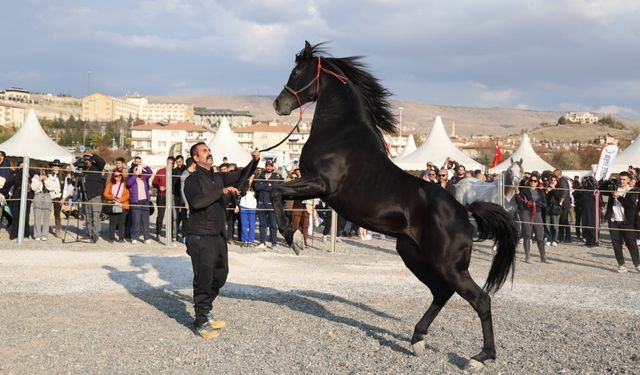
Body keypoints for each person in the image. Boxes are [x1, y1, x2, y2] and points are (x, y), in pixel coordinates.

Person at [184, 142, 259, 339]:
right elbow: (197, 202)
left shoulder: (217, 176)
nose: (209, 153)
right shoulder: (192, 180)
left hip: (217, 235)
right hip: (200, 235)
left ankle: (205, 309)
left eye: (209, 150)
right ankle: (200, 321)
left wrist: (255, 160)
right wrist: (221, 192)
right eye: (204, 151)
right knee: (204, 278)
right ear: (196, 158)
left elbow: (240, 175)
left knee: (221, 275)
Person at [601, 172, 640, 273]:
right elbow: (601, 190)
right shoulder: (613, 189)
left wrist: (619, 197)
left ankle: (637, 264)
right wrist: (609, 181)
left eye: (623, 179)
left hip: (626, 222)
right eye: (620, 179)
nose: (621, 181)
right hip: (614, 221)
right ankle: (621, 265)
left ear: (628, 180)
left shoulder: (632, 191)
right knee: (616, 244)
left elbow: (630, 204)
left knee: (631, 244)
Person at [518, 175, 549, 263]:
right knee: (527, 233)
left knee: (540, 234)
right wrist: (526, 204)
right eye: (531, 180)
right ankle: (528, 257)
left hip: (537, 213)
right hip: (526, 213)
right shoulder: (524, 190)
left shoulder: (540, 191)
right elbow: (520, 201)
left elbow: (544, 204)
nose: (533, 182)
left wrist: (535, 203)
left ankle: (543, 257)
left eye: (535, 181)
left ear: (537, 182)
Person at [253, 160, 283, 249]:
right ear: (265, 166)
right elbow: (257, 187)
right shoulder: (260, 176)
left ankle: (274, 243)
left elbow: (275, 188)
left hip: (271, 204)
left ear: (273, 167)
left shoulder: (276, 177)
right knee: (262, 225)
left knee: (273, 225)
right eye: (267, 165)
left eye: (270, 166)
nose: (269, 167)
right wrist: (268, 185)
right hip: (261, 203)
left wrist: (264, 186)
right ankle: (262, 242)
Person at [80, 153, 106, 243]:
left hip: (95, 196)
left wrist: (93, 155)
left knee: (95, 216)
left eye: (88, 159)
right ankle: (89, 234)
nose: (86, 161)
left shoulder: (96, 167)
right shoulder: (83, 169)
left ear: (91, 160)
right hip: (86, 196)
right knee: (88, 216)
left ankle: (95, 236)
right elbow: (79, 183)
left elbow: (102, 162)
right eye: (85, 160)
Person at [126, 161, 153, 244]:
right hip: (135, 202)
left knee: (145, 221)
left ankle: (146, 238)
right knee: (136, 221)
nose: (139, 170)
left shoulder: (143, 178)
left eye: (139, 169)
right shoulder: (130, 178)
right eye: (137, 168)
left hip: (145, 201)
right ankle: (134, 237)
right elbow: (129, 184)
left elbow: (150, 173)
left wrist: (146, 166)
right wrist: (135, 174)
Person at [31, 168, 59, 241]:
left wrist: (46, 180)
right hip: (38, 195)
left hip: (48, 196)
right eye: (40, 170)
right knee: (37, 216)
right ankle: (37, 234)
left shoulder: (50, 177)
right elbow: (33, 188)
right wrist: (39, 180)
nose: (42, 171)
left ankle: (44, 234)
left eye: (43, 170)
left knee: (46, 217)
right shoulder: (35, 177)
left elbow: (52, 188)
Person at [103, 168, 130, 243]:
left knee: (122, 223)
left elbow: (128, 194)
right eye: (116, 176)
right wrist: (113, 198)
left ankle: (121, 238)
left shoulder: (125, 183)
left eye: (119, 175)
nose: (118, 177)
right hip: (113, 204)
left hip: (123, 205)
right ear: (113, 176)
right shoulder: (110, 184)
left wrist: (120, 200)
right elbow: (105, 193)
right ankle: (111, 238)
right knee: (113, 222)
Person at [152, 156, 175, 240]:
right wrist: (159, 186)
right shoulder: (160, 171)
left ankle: (172, 234)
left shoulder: (174, 172)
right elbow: (154, 182)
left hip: (172, 197)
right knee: (160, 215)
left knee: (173, 216)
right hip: (161, 196)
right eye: (168, 162)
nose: (169, 164)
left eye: (171, 163)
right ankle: (158, 233)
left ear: (173, 164)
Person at [288, 170, 311, 247]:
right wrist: (291, 172)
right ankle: (295, 241)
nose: (299, 173)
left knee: (305, 225)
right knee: (295, 224)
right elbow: (287, 181)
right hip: (296, 204)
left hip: (307, 205)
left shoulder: (309, 181)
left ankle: (304, 240)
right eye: (298, 172)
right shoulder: (295, 182)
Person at [179, 157, 197, 242]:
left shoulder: (195, 173)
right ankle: (185, 236)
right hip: (186, 201)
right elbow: (182, 190)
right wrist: (185, 202)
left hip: (194, 201)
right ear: (192, 163)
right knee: (185, 220)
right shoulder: (184, 175)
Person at [238, 175, 257, 247]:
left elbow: (257, 192)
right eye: (250, 175)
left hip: (252, 206)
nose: (251, 177)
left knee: (252, 225)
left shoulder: (256, 184)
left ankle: (250, 240)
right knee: (244, 224)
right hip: (243, 205)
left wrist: (252, 183)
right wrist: (247, 183)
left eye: (252, 175)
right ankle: (244, 240)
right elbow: (241, 192)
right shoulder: (243, 183)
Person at [554, 169, 572, 243]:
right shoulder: (560, 181)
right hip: (563, 203)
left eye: (554, 174)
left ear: (558, 174)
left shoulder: (562, 181)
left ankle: (568, 237)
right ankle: (561, 236)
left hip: (564, 204)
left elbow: (564, 192)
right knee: (561, 221)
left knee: (564, 221)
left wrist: (561, 202)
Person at [48, 159, 65, 238]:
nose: (56, 167)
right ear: (51, 166)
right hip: (48, 195)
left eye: (57, 166)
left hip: (59, 196)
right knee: (46, 212)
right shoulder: (48, 174)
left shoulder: (63, 175)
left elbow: (66, 188)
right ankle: (44, 229)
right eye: (54, 165)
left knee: (57, 214)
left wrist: (64, 198)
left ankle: (58, 230)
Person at [544, 176, 562, 247]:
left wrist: (553, 189)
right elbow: (545, 198)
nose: (553, 181)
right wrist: (547, 191)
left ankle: (555, 239)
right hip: (548, 208)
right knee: (547, 224)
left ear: (557, 182)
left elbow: (558, 197)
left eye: (555, 180)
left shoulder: (559, 189)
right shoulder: (547, 188)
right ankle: (549, 239)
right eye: (552, 180)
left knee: (555, 225)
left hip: (555, 208)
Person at [173, 155, 186, 241]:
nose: (178, 164)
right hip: (176, 195)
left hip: (185, 195)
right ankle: (175, 234)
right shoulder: (173, 171)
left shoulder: (186, 169)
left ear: (183, 161)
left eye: (180, 162)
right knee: (175, 216)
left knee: (185, 216)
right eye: (177, 162)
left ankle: (184, 235)